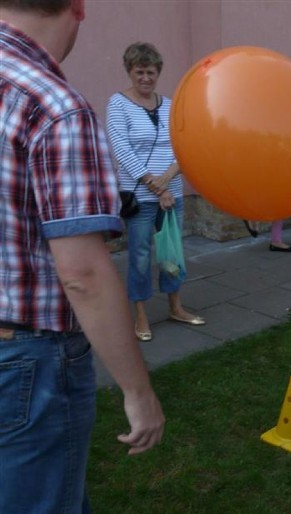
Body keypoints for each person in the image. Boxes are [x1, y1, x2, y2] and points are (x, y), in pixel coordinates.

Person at [0, 2, 165, 514]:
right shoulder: (56, 107)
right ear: (77, 8)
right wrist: (138, 391)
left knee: (48, 485)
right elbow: (85, 274)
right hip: (29, 355)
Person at [106, 41, 205, 341]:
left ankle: (176, 306)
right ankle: (140, 316)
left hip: (171, 193)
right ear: (130, 71)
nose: (145, 78)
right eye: (139, 72)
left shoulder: (171, 105)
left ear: (158, 73)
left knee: (172, 253)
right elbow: (121, 149)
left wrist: (169, 177)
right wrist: (154, 183)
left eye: (150, 72)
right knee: (139, 255)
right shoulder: (118, 104)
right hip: (140, 197)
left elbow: (184, 145)